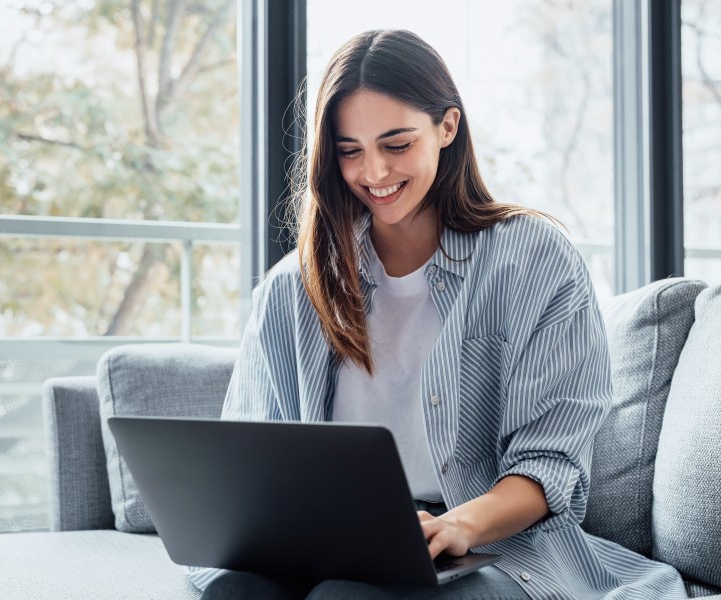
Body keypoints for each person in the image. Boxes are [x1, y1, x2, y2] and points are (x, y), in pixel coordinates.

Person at [191, 29, 688, 599]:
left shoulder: (532, 258)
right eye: (350, 150)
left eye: (396, 144)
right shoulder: (293, 288)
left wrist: (454, 525)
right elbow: (254, 460)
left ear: (447, 127)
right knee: (234, 592)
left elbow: (550, 466)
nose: (373, 173)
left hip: (490, 543)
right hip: (337, 538)